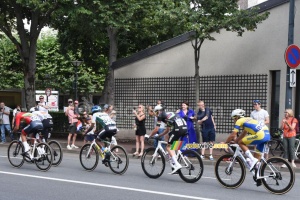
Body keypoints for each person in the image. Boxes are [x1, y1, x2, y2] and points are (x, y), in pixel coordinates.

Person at [149, 104, 187, 174]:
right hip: (184, 127)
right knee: (170, 139)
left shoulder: (160, 116)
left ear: (158, 111)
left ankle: (177, 164)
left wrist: (150, 136)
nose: (155, 114)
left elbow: (156, 129)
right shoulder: (167, 115)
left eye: (155, 112)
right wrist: (159, 135)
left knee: (168, 147)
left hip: (178, 129)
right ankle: (174, 159)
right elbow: (167, 130)